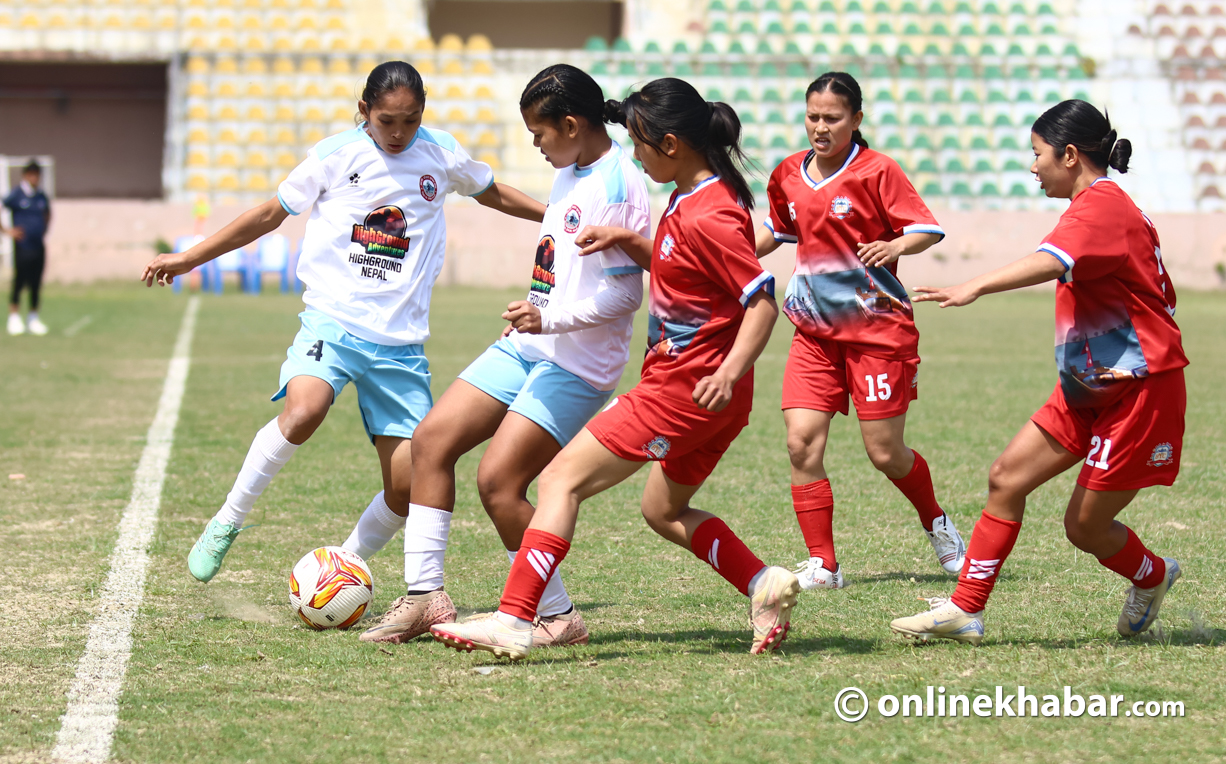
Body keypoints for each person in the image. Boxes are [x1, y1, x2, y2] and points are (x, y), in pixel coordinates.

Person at [429, 78, 800, 661]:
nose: (636, 155)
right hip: (709, 398)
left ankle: (516, 619)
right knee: (663, 511)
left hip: (684, 388)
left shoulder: (711, 211)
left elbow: (761, 300)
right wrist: (629, 239)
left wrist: (727, 370)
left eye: (641, 143)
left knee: (558, 482)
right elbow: (680, 266)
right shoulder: (691, 195)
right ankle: (763, 584)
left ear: (671, 144)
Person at [140, 61, 545, 583]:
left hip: (400, 345)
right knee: (304, 411)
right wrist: (190, 257)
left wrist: (554, 217)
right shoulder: (335, 155)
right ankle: (227, 520)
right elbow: (268, 214)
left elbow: (491, 191)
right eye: (386, 121)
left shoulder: (441, 153)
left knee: (408, 486)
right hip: (333, 323)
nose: (398, 133)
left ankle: (343, 566)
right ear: (364, 111)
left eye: (411, 121)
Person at [344, 64, 651, 648]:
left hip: (577, 364)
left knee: (498, 483)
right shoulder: (571, 168)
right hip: (528, 344)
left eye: (539, 133)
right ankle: (424, 598)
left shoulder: (619, 184)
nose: (535, 145)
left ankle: (558, 615)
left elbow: (624, 295)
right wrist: (537, 313)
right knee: (431, 441)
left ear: (571, 125)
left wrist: (549, 317)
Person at [890, 100, 1186, 645]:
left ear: (1069, 155)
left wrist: (974, 284)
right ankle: (965, 609)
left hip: (1137, 389)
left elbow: (1053, 260)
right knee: (1007, 478)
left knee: (1085, 526)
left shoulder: (1103, 205)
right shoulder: (1092, 206)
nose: (1032, 166)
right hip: (1088, 386)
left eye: (1037, 153)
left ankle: (1152, 575)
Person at [755, 72, 965, 591]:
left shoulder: (878, 170)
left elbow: (925, 228)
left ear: (856, 119)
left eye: (832, 118)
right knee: (801, 444)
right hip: (813, 332)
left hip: (877, 332)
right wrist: (721, 255)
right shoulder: (788, 174)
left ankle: (937, 522)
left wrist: (896, 246)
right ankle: (824, 564)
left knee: (885, 453)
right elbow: (776, 233)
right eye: (813, 117)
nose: (820, 127)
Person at [4, 160, 51, 336]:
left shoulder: (41, 196)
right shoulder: (17, 194)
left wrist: (44, 229)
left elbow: (48, 213)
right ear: (25, 175)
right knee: (20, 280)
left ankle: (33, 317)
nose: (35, 178)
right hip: (23, 246)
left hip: (38, 246)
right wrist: (7, 231)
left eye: (37, 175)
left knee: (36, 282)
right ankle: (14, 316)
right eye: (31, 174)